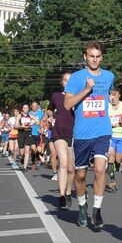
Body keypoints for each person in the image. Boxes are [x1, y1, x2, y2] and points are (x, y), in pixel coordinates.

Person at [64, 42, 117, 231]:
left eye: (98, 56)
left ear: (102, 57)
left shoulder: (109, 76)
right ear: (85, 57)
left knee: (101, 169)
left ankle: (97, 210)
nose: (94, 59)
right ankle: (82, 207)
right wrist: (86, 90)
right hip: (82, 134)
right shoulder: (77, 78)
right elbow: (67, 104)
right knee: (80, 175)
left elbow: (112, 92)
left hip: (103, 131)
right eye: (91, 56)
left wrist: (113, 98)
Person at [50, 71, 77, 208]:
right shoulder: (56, 96)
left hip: (73, 133)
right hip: (59, 132)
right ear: (62, 82)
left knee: (71, 169)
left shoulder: (78, 97)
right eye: (66, 80)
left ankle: (67, 192)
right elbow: (49, 109)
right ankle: (61, 196)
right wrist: (49, 116)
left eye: (70, 80)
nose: (68, 83)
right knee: (63, 164)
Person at [107, 88, 122, 191]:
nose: (113, 98)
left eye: (115, 96)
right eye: (111, 96)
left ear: (119, 96)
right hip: (110, 136)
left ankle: (116, 165)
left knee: (118, 159)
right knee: (111, 158)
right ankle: (112, 180)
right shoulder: (107, 107)